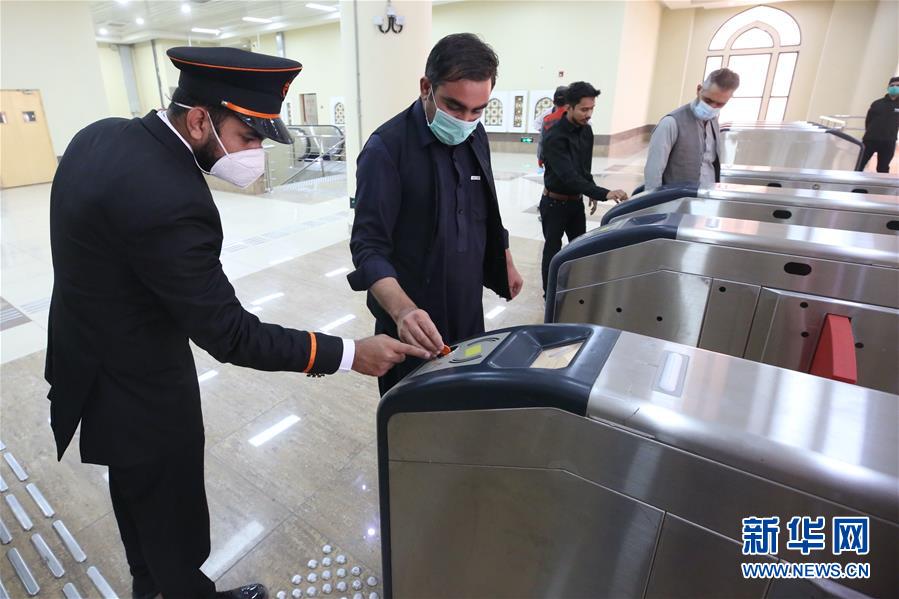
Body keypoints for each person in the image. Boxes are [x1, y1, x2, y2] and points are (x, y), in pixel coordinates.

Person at [46, 46, 428, 599]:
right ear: (200, 121)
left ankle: (153, 589)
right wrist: (349, 353)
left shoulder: (100, 135)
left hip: (86, 354)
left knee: (139, 506)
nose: (254, 154)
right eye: (248, 138)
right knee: (173, 518)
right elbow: (231, 334)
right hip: (140, 387)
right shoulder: (171, 197)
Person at [348, 33, 524, 395]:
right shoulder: (386, 149)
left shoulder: (475, 135)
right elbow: (368, 247)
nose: (466, 120)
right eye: (455, 107)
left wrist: (504, 256)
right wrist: (403, 312)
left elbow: (485, 205)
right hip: (414, 318)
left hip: (467, 303)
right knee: (413, 411)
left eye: (478, 110)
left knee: (463, 398)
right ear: (426, 87)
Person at [540, 81, 628, 293]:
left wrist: (591, 190)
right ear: (569, 107)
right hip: (554, 203)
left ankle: (575, 289)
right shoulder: (554, 137)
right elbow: (568, 177)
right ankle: (549, 294)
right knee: (552, 250)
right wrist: (604, 193)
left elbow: (583, 169)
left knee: (579, 248)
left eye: (591, 109)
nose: (588, 114)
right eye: (583, 109)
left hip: (575, 203)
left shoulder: (587, 131)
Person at [644, 68, 740, 191]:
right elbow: (653, 172)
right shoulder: (671, 123)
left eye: (720, 104)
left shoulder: (714, 121)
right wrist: (653, 199)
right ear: (699, 90)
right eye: (708, 100)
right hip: (676, 197)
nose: (712, 107)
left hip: (707, 194)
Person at [860, 76, 899, 173]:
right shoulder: (877, 103)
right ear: (888, 87)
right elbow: (868, 120)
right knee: (859, 164)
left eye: (897, 86)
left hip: (888, 141)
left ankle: (882, 184)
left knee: (883, 169)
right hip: (870, 140)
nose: (894, 87)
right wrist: (870, 132)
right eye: (892, 85)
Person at [533, 85, 568, 168]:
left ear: (554, 102)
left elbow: (542, 141)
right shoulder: (576, 117)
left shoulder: (547, 118)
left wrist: (540, 158)